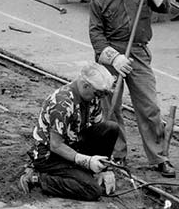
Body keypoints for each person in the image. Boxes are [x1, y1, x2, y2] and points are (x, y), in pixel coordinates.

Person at [88, 0, 175, 177]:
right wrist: (114, 58)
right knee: (110, 105)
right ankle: (118, 155)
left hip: (138, 51)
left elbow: (165, 9)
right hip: (112, 54)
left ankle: (158, 157)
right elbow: (96, 34)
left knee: (149, 105)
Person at [17, 63, 123, 201]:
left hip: (75, 142)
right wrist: (86, 161)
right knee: (92, 190)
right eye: (98, 93)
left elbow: (99, 131)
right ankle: (37, 178)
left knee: (111, 128)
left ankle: (90, 171)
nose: (100, 98)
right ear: (86, 86)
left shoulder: (92, 98)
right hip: (50, 154)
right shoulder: (62, 104)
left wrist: (106, 169)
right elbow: (55, 145)